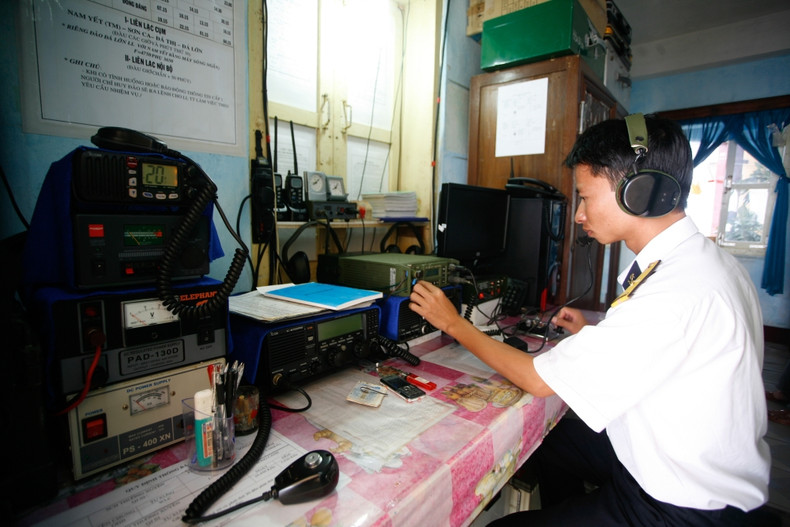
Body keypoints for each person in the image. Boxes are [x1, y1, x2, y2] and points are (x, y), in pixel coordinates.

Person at [409, 115, 771, 526]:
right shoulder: (706, 262)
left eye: (585, 196)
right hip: (686, 460)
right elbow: (671, 346)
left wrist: (455, 323)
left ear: (641, 192)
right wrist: (593, 334)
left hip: (683, 504)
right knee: (545, 440)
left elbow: (537, 379)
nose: (579, 215)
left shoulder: (675, 290)